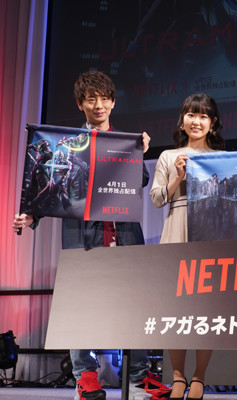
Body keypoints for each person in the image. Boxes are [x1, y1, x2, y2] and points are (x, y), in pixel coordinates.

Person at [12, 71, 169, 400]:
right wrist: (32, 214)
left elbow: (139, 181)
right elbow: (53, 189)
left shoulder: (125, 141)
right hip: (82, 238)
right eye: (91, 99)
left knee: (135, 304)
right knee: (81, 305)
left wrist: (138, 152)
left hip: (124, 236)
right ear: (80, 104)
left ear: (113, 102)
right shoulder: (69, 145)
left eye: (104, 98)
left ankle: (139, 378)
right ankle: (85, 377)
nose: (99, 105)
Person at [150, 93, 225, 400]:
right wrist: (177, 178)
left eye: (203, 116)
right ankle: (178, 375)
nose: (197, 121)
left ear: (213, 123)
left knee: (206, 309)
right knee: (176, 308)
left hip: (209, 233)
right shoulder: (168, 156)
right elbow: (156, 199)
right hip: (176, 229)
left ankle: (199, 377)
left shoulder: (221, 158)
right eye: (191, 115)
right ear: (182, 120)